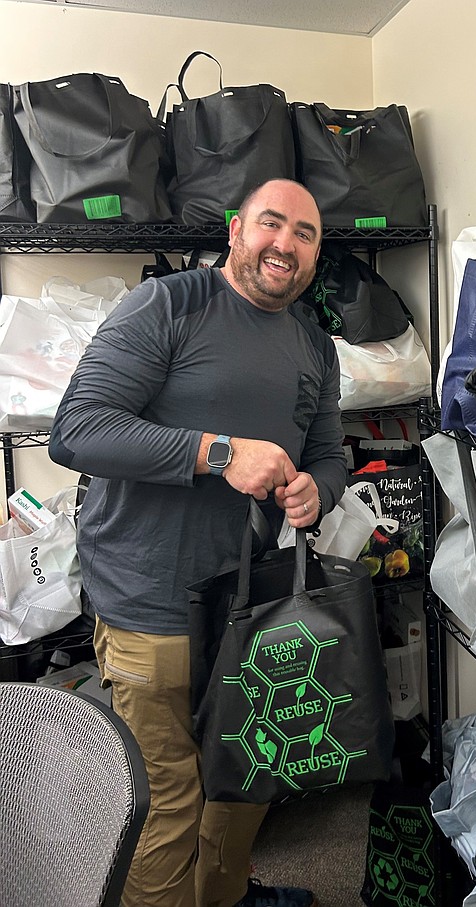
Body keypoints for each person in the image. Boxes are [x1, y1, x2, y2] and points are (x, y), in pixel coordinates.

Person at [49, 179, 347, 907]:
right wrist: (218, 453)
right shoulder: (169, 305)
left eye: (305, 234)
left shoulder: (312, 342)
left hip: (251, 606)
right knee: (169, 805)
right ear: (238, 229)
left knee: (247, 782)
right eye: (271, 225)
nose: (286, 244)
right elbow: (77, 430)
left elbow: (331, 452)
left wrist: (318, 488)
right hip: (151, 603)